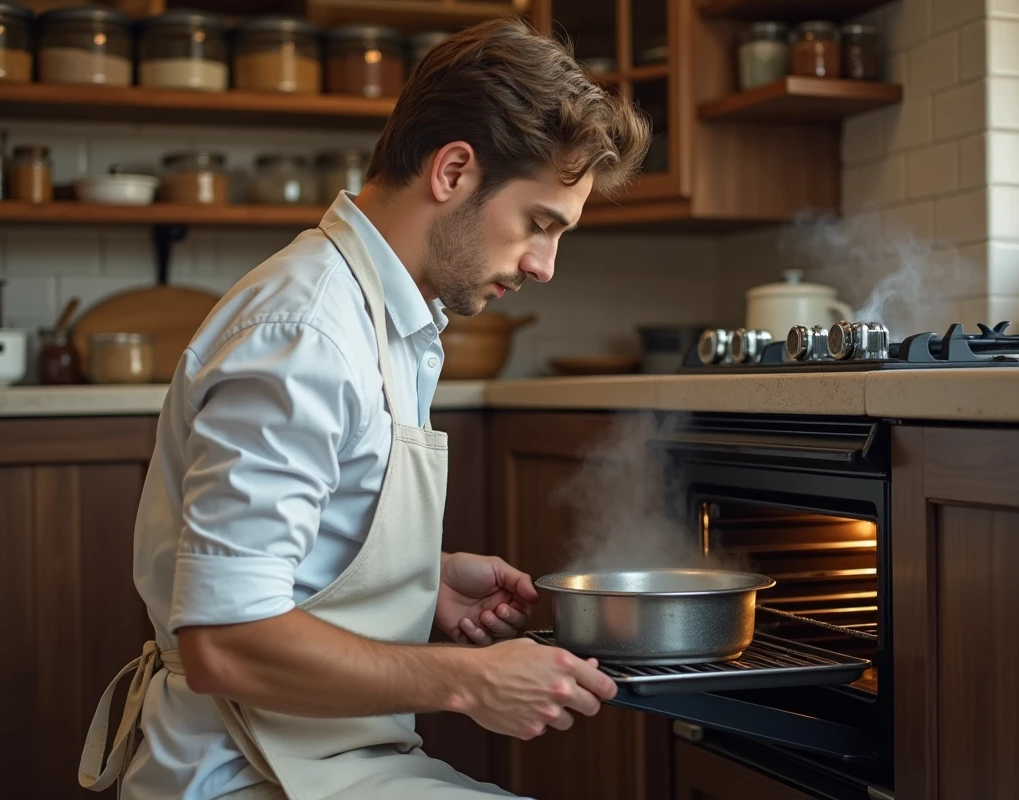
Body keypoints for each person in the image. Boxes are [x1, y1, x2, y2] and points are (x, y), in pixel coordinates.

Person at [77, 15, 650, 800]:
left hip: (325, 759)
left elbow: (285, 557)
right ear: (452, 171)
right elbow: (225, 642)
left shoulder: (384, 316)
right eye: (539, 223)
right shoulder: (306, 331)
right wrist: (470, 682)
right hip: (245, 769)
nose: (544, 265)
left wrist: (413, 580)